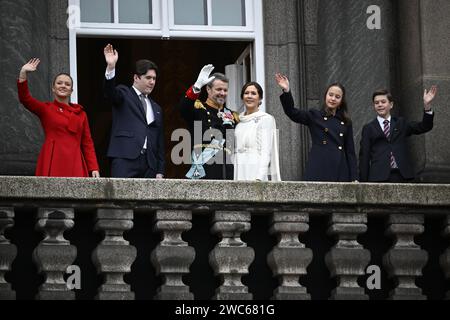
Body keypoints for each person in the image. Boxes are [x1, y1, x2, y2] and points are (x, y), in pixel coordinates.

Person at [17, 58, 100, 177]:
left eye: (67, 84)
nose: (63, 86)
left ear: (71, 91)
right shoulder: (46, 109)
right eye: (59, 83)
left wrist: (93, 167)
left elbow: (87, 142)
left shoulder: (81, 113)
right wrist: (23, 73)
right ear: (53, 88)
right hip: (52, 158)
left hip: (75, 160)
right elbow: (25, 99)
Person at [275, 73, 357, 182]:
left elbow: (350, 152)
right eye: (330, 95)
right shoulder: (314, 116)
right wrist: (286, 91)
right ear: (325, 96)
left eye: (337, 97)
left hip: (340, 169)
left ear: (341, 101)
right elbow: (292, 112)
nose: (333, 99)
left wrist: (354, 177)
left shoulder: (346, 122)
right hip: (319, 166)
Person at [103, 44, 165, 178]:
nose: (152, 82)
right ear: (136, 78)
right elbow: (109, 93)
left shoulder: (156, 108)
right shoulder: (123, 94)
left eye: (154, 79)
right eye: (148, 78)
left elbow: (159, 141)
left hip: (149, 164)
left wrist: (160, 169)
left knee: (147, 200)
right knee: (121, 198)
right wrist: (111, 67)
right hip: (125, 158)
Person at [359, 87, 437, 183]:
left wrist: (427, 106)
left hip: (402, 175)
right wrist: (363, 182)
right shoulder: (368, 128)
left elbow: (424, 126)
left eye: (383, 102)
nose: (380, 105)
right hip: (378, 177)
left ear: (391, 105)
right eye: (376, 103)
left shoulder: (401, 123)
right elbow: (364, 156)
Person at [177, 64, 238, 180]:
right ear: (208, 89)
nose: (223, 93)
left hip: (227, 171)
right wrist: (197, 86)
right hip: (205, 170)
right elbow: (183, 108)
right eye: (219, 89)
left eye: (225, 90)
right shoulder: (199, 109)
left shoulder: (232, 115)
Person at [233, 82, 281, 181]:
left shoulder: (266, 119)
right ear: (242, 97)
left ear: (260, 99)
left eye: (253, 93)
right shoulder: (239, 121)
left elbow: (266, 151)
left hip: (255, 169)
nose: (249, 96)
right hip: (240, 167)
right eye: (246, 93)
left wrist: (259, 177)